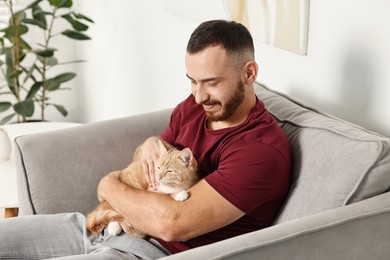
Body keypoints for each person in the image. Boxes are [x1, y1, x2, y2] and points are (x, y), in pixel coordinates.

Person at [0, 19, 291, 259]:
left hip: (146, 251)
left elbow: (170, 224)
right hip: (104, 226)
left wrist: (107, 184)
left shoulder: (259, 151)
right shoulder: (193, 107)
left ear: (249, 73)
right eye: (192, 80)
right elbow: (146, 159)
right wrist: (150, 143)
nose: (199, 95)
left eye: (212, 83)